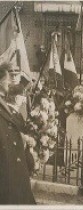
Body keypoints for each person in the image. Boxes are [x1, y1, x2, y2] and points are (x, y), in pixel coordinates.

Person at [0, 62, 36, 204]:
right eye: (7, 78)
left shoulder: (3, 102)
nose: (10, 82)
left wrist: (23, 138)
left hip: (11, 165)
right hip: (6, 165)